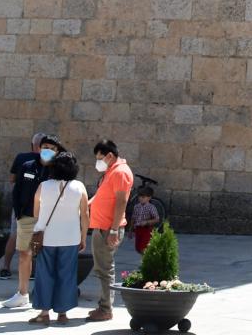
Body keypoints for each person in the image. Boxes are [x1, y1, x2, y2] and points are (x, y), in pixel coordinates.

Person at [28, 152, 89, 326]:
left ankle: (44, 313)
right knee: (67, 276)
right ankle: (63, 313)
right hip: (70, 237)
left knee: (44, 274)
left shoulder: (43, 186)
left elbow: (36, 212)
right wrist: (83, 236)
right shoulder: (79, 187)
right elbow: (85, 215)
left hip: (47, 238)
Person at [2, 135, 62, 305]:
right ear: (38, 148)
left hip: (49, 220)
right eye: (45, 147)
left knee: (47, 257)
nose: (47, 150)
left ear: (57, 151)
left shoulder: (58, 171)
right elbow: (17, 190)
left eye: (52, 148)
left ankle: (47, 294)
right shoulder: (27, 166)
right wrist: (19, 213)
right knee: (24, 254)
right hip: (27, 217)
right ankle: (22, 294)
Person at [86, 140, 133, 322]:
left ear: (109, 156)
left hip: (108, 229)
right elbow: (104, 194)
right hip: (102, 226)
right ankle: (103, 306)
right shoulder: (112, 171)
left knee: (105, 270)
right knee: (102, 268)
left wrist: (114, 230)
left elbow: (121, 201)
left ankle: (106, 309)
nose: (98, 162)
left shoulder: (120, 172)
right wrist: (89, 203)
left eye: (100, 158)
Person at [131, 187, 161, 253]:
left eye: (143, 197)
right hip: (138, 229)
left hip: (147, 229)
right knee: (138, 247)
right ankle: (145, 257)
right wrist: (131, 229)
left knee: (144, 247)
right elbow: (133, 217)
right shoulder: (136, 206)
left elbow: (157, 219)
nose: (141, 198)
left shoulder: (151, 207)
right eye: (140, 197)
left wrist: (147, 222)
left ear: (149, 198)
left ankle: (146, 259)